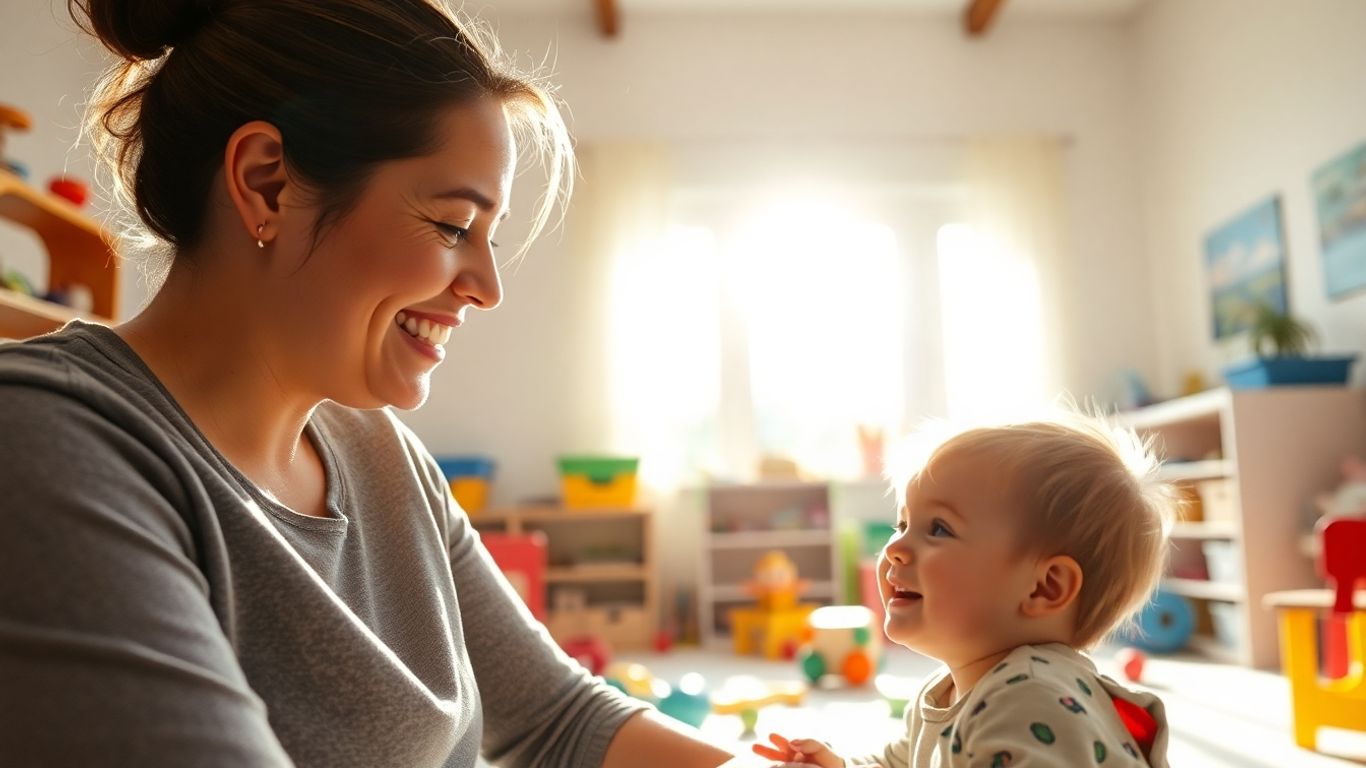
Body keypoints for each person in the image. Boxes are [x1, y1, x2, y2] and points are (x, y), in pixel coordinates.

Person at [0, 1, 738, 766]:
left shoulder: (382, 458)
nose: (487, 288)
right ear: (268, 184)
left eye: (490, 238)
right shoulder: (47, 444)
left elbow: (559, 719)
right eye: (454, 227)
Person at [753, 416, 1176, 767]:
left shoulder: (1030, 701)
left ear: (1045, 587)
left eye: (938, 528)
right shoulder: (948, 691)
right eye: (902, 524)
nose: (894, 548)